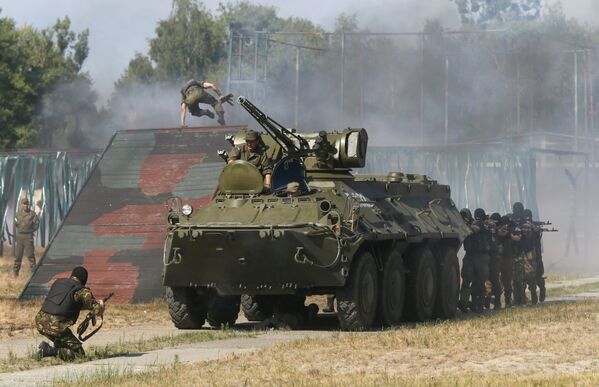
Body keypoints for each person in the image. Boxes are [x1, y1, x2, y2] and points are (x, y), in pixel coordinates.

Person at [35, 266, 105, 360]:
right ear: (84, 279)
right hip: (57, 327)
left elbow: (65, 304)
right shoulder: (82, 290)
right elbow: (96, 309)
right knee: (79, 355)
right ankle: (49, 350)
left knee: (64, 343)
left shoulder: (58, 282)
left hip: (40, 322)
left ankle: (56, 349)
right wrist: (101, 306)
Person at [13, 197, 39, 277]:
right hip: (20, 237)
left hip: (28, 237)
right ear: (21, 205)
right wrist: (20, 228)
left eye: (27, 204)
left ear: (29, 204)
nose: (26, 205)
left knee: (31, 256)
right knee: (18, 257)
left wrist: (31, 230)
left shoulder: (32, 214)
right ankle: (15, 274)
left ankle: (33, 275)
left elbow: (36, 224)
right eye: (24, 204)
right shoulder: (18, 214)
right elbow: (15, 223)